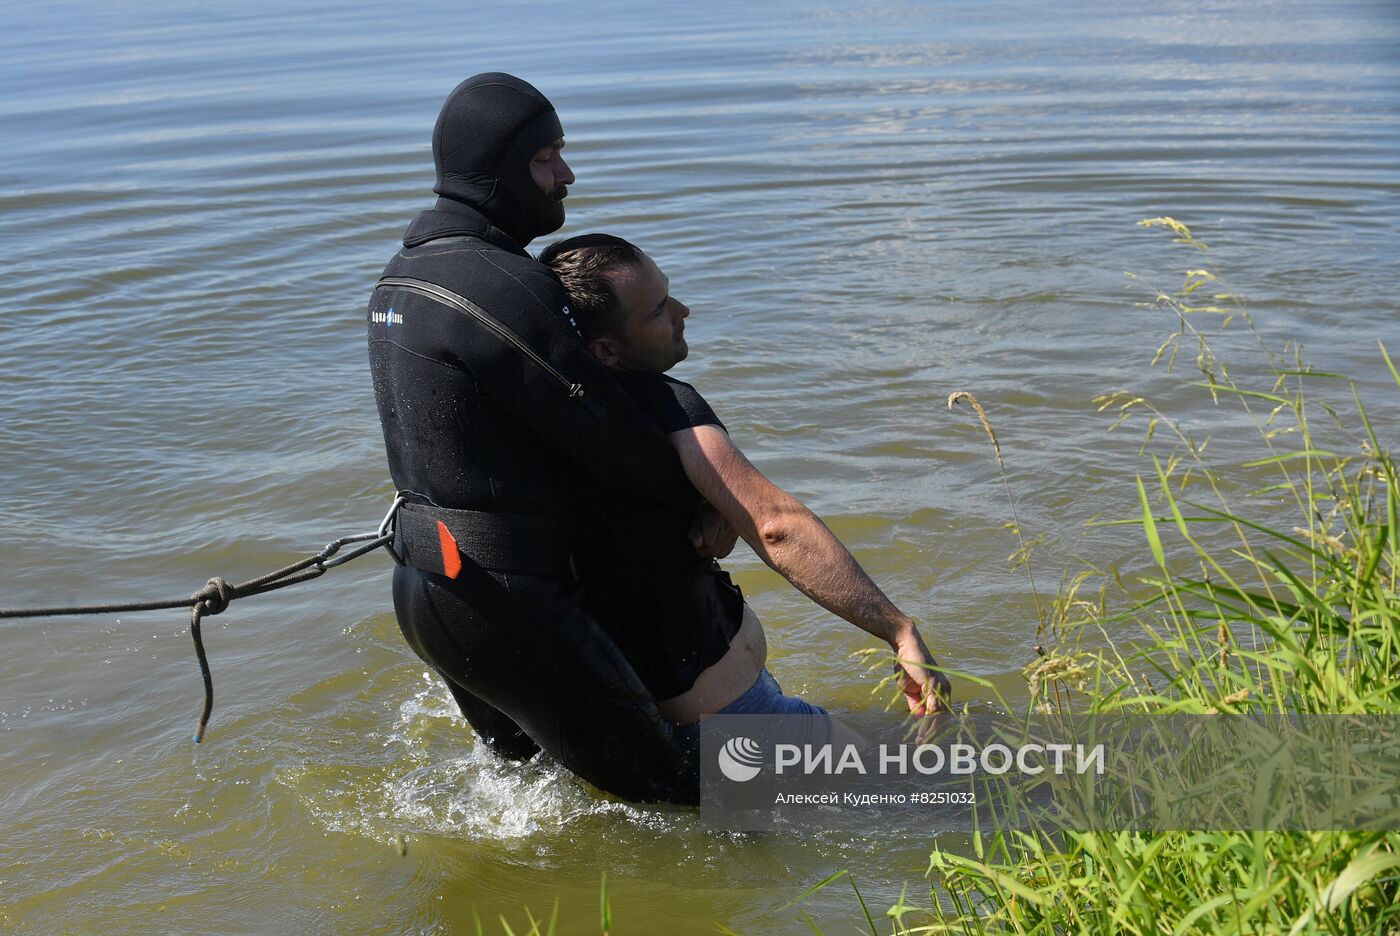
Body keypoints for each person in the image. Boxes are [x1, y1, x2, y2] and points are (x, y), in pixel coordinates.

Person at [366, 74, 729, 804]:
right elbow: (611, 439)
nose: (566, 175)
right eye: (546, 158)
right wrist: (706, 501)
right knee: (684, 796)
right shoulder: (500, 285)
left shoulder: (400, 279)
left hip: (426, 587)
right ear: (492, 171)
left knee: (538, 799)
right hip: (507, 604)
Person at [539, 234, 950, 727]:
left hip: (608, 710)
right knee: (929, 787)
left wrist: (704, 497)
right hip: (729, 718)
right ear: (606, 351)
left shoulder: (550, 413)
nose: (683, 311)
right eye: (658, 311)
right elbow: (775, 526)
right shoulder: (663, 404)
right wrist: (900, 631)